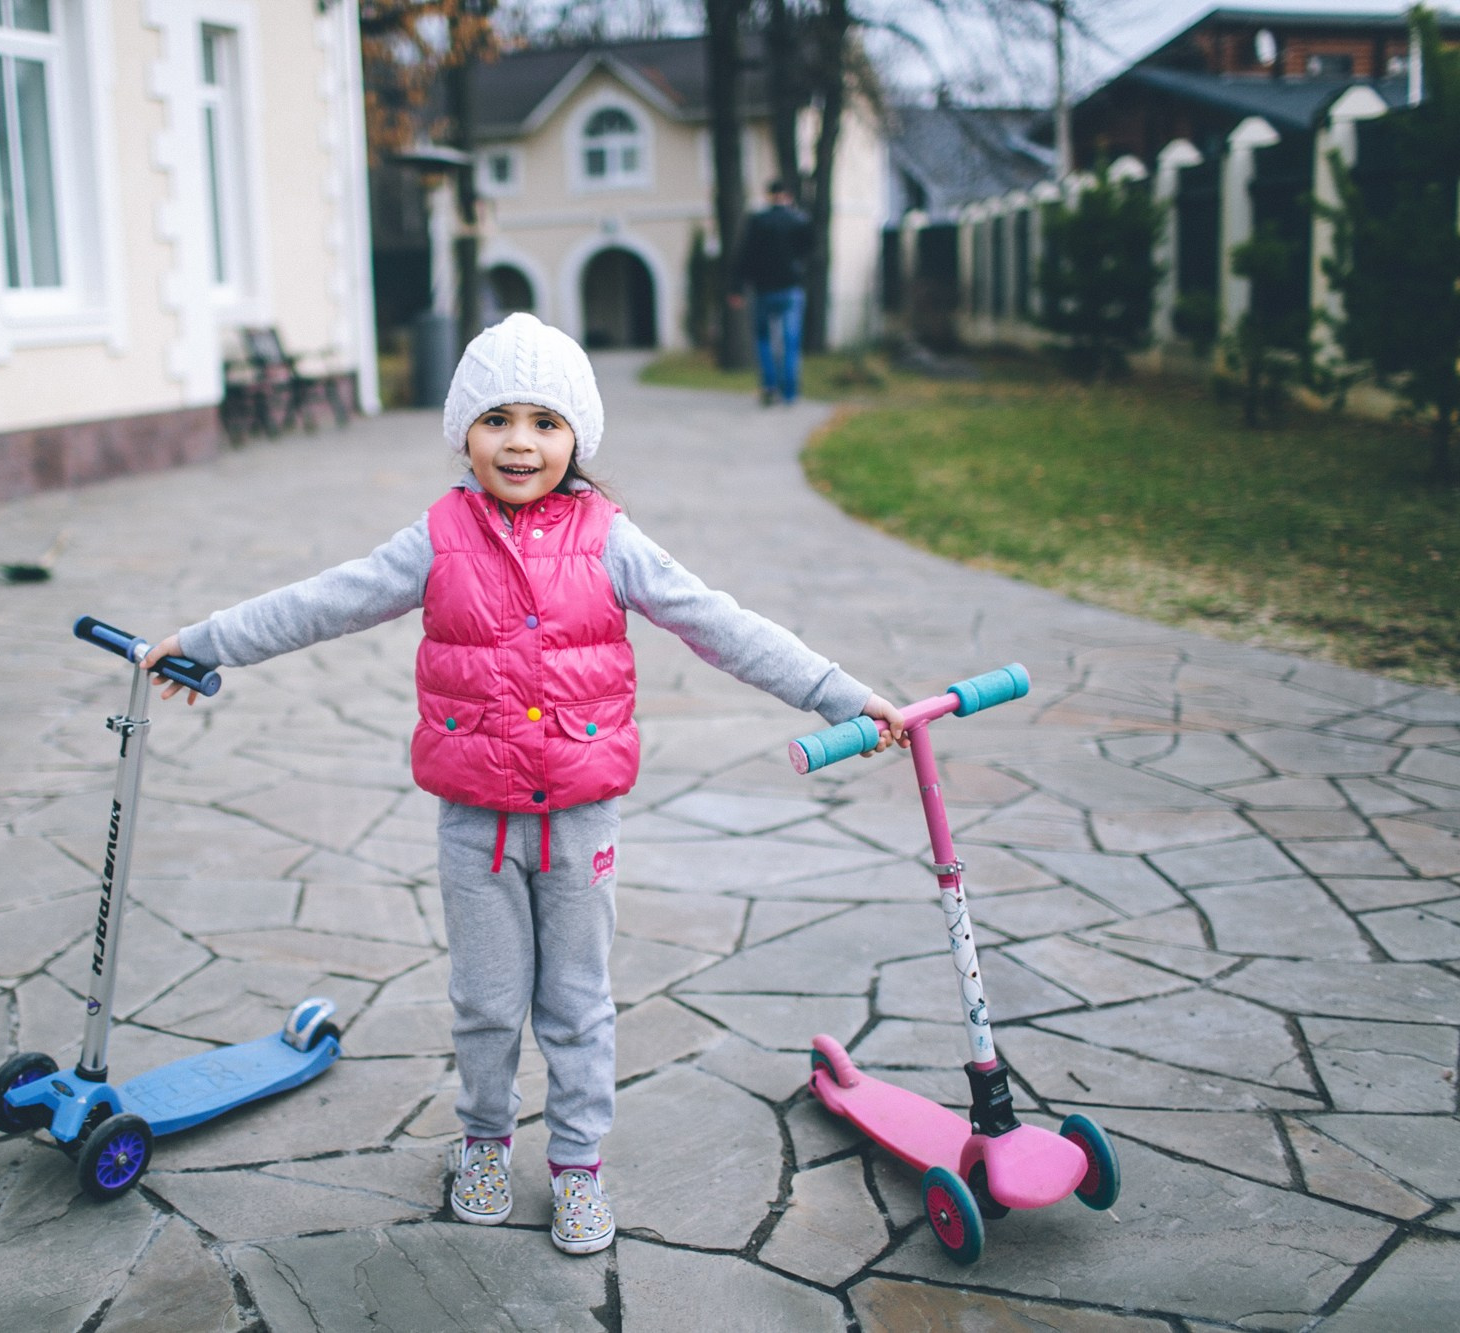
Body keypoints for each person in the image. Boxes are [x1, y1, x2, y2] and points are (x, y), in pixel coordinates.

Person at [141, 313, 905, 1255]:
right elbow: (323, 600)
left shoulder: (611, 539)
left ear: (577, 436)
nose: (520, 442)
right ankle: (485, 1143)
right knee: (487, 1004)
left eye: (546, 422)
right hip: (476, 826)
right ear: (463, 429)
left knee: (577, 1004)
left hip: (581, 824)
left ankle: (578, 1163)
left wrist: (841, 695)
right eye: (497, 418)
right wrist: (206, 641)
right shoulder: (437, 537)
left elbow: (720, 622)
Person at [729, 180, 813, 406]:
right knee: (790, 341)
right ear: (789, 196)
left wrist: (737, 288)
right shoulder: (799, 221)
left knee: (763, 339)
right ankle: (790, 393)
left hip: (764, 290)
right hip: (791, 289)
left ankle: (769, 386)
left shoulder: (758, 221)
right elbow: (810, 251)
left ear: (769, 196)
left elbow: (745, 255)